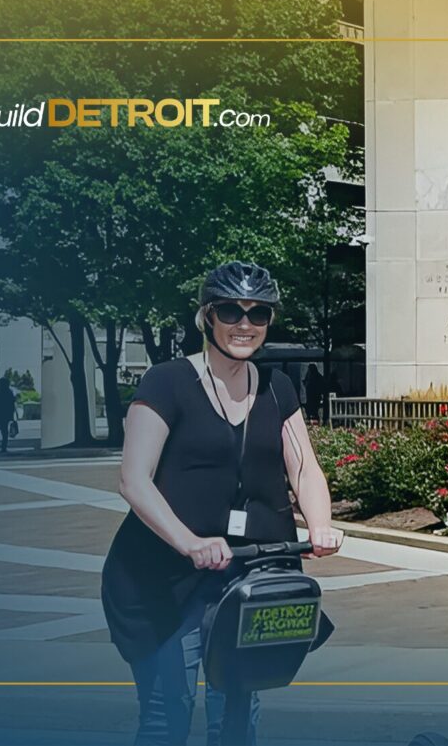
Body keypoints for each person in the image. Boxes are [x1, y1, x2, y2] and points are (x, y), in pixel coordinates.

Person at [104, 262, 345, 745]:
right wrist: (188, 541)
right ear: (207, 317)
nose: (245, 324)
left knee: (237, 713)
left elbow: (303, 467)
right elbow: (134, 479)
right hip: (164, 579)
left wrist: (320, 524)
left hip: (248, 575)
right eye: (231, 311)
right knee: (166, 713)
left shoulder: (277, 387)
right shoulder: (167, 381)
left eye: (258, 314)